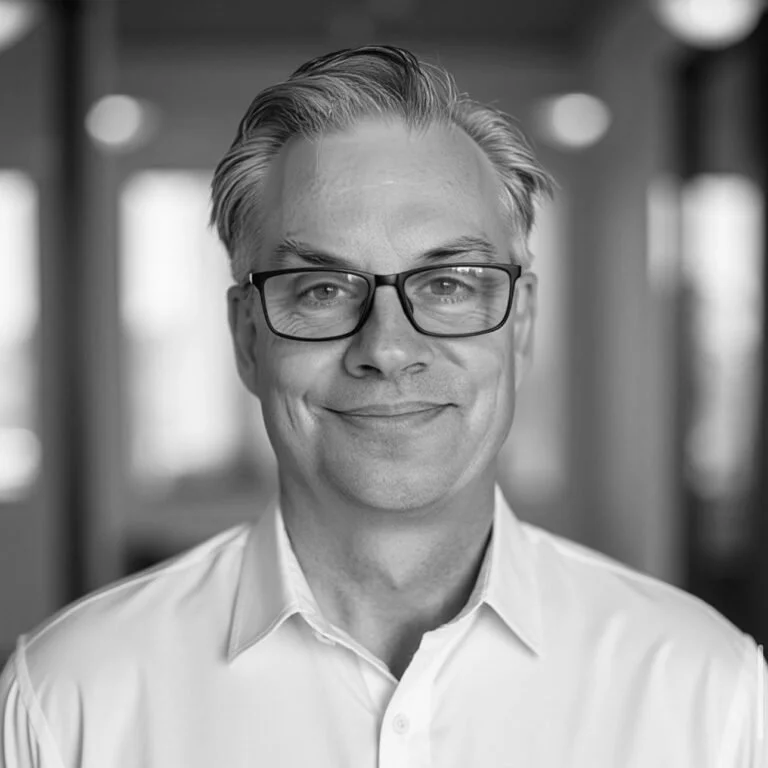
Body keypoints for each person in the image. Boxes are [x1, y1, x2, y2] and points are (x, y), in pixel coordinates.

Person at [1, 44, 765, 767]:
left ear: (522, 323)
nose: (388, 349)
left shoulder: (708, 691)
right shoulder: (70, 699)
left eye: (448, 284)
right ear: (246, 337)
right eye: (323, 290)